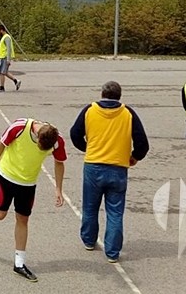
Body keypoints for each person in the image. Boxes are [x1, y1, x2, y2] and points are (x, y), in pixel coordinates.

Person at [0, 118, 66, 282]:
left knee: (23, 219)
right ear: (37, 135)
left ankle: (19, 263)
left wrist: (58, 189)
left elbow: (59, 163)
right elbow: (0, 146)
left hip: (28, 184)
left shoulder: (57, 140)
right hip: (7, 177)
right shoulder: (19, 128)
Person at [69, 81, 149, 263]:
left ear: (102, 94)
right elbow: (142, 143)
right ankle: (112, 251)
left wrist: (87, 148)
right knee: (115, 211)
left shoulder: (90, 110)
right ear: (119, 96)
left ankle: (89, 240)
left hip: (93, 166)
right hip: (118, 167)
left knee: (90, 206)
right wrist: (135, 157)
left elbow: (75, 134)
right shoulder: (128, 113)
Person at [0, 24, 21, 93]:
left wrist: (8, 59)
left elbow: (9, 49)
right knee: (4, 72)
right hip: (2, 57)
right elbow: (2, 49)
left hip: (5, 58)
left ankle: (2, 87)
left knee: (2, 72)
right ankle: (16, 81)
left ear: (1, 30)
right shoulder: (4, 37)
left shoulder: (7, 37)